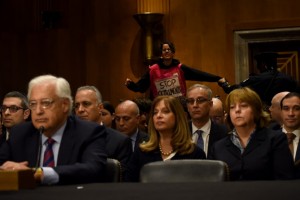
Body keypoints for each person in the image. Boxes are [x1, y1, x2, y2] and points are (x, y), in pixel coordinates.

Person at [0, 75, 107, 185]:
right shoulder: (19, 133)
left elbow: (94, 169)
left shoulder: (88, 132)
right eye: (33, 104)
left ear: (64, 105)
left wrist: (39, 174)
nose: (38, 111)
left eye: (46, 103)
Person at [209, 87, 295, 180]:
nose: (237, 110)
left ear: (256, 110)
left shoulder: (275, 140)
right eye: (232, 107)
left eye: (244, 105)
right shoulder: (218, 147)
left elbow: (285, 180)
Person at [125, 96, 206, 182]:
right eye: (155, 113)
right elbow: (129, 187)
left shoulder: (195, 154)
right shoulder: (141, 152)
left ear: (177, 116)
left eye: (165, 111)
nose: (158, 116)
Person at [125, 41, 224, 100]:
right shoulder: (153, 70)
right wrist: (131, 85)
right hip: (160, 107)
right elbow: (141, 87)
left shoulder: (180, 68)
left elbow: (199, 74)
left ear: (173, 53)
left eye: (169, 49)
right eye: (164, 50)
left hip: (178, 107)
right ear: (161, 53)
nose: (167, 51)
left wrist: (217, 78)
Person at [74, 86, 132, 172]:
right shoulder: (67, 138)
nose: (80, 110)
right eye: (77, 106)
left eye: (86, 104)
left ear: (100, 108)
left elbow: (122, 181)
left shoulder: (120, 141)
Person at [219, 52, 299, 107]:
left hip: (266, 117)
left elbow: (232, 90)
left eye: (258, 64)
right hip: (286, 113)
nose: (257, 67)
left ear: (263, 64)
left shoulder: (256, 79)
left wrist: (224, 84)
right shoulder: (289, 79)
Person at [186, 84, 227, 157]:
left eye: (200, 100)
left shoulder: (224, 133)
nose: (195, 105)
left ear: (210, 104)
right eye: (191, 101)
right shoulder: (179, 133)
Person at [280, 92, 300, 162]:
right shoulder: (267, 137)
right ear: (281, 112)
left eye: (297, 108)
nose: (291, 114)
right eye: (286, 108)